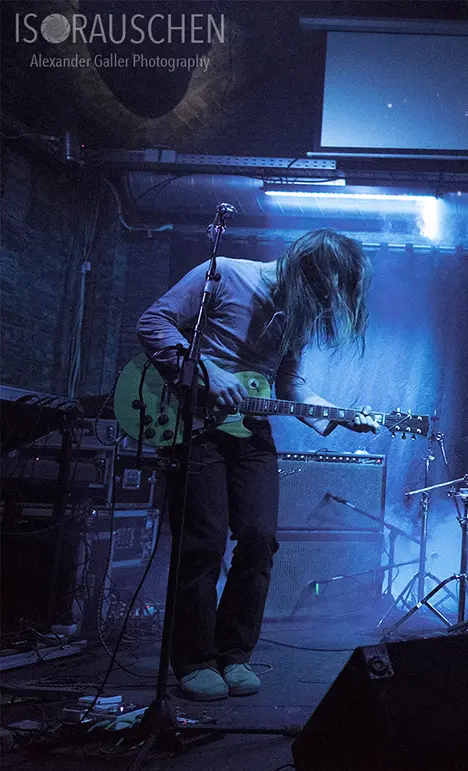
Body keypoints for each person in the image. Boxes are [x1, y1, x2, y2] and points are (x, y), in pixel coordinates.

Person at [137, 229, 380, 701]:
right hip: (196, 426)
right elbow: (154, 322)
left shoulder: (295, 313)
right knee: (203, 543)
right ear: (304, 271)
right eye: (323, 294)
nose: (323, 307)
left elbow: (290, 385)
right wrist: (207, 371)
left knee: (259, 539)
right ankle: (193, 661)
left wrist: (341, 415)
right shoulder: (223, 273)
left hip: (251, 433)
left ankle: (234, 654)